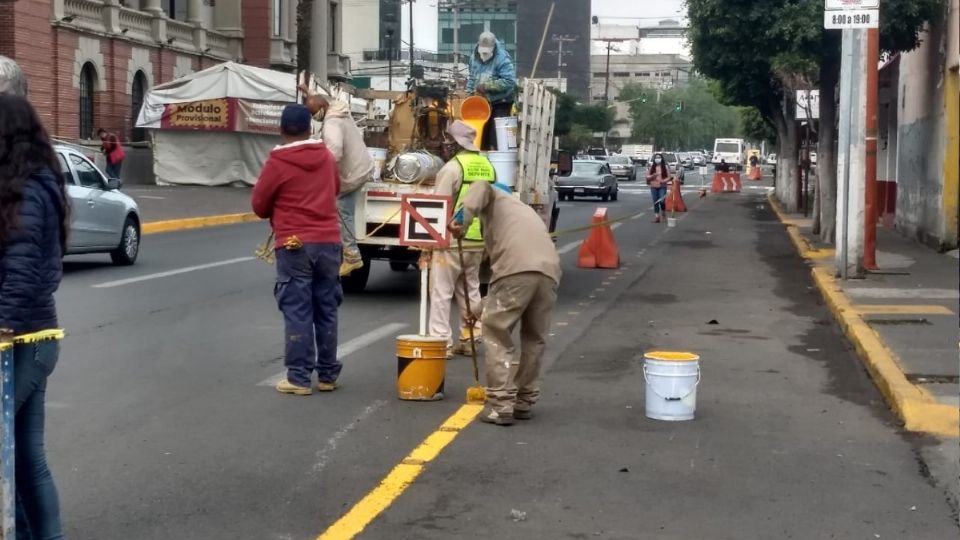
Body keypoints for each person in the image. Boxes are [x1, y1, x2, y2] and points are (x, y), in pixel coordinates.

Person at [0, 94, 69, 539]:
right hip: (35, 338)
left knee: (23, 454)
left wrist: (3, 326)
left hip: (20, 341)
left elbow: (22, 272)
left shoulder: (24, 192)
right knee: (26, 453)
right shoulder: (36, 184)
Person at [449, 180, 561, 426]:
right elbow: (509, 289)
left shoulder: (493, 195)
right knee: (534, 338)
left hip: (517, 271)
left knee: (496, 334)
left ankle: (501, 405)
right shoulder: (521, 213)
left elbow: (481, 187)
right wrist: (477, 311)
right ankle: (524, 401)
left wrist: (462, 220)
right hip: (548, 273)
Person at [252, 104, 343, 396]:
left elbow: (259, 205)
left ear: (281, 130)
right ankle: (328, 375)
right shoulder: (327, 158)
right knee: (326, 308)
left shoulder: (278, 161)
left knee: (298, 309)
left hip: (295, 244)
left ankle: (299, 378)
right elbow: (336, 189)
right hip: (329, 242)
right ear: (310, 128)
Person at [426, 120, 496, 358]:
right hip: (478, 240)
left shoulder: (452, 169)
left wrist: (429, 245)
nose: (445, 144)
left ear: (456, 143)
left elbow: (439, 206)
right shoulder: (487, 165)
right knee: (470, 291)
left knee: (441, 292)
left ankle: (441, 342)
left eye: (449, 140)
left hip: (452, 239)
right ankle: (471, 338)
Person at [300, 86, 376, 276]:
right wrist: (308, 92)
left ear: (321, 110)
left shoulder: (332, 123)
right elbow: (320, 100)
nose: (314, 118)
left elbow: (334, 153)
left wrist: (321, 176)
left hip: (351, 174)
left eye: (313, 114)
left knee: (341, 212)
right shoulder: (338, 107)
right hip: (361, 167)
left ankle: (352, 256)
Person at [467, 32, 517, 150]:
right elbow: (472, 78)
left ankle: (497, 157)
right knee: (480, 134)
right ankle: (482, 157)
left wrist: (487, 86)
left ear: (493, 48)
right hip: (482, 103)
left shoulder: (502, 59)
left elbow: (509, 82)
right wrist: (469, 94)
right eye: (482, 51)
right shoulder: (473, 58)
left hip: (501, 102)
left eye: (487, 52)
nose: (484, 54)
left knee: (496, 136)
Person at [646, 152, 671, 223]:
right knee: (655, 202)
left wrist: (663, 181)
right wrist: (652, 176)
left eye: (659, 158)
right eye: (656, 158)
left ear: (661, 159)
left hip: (662, 186)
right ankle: (657, 217)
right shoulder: (652, 167)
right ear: (654, 159)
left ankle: (663, 212)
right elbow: (647, 177)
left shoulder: (665, 167)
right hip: (653, 186)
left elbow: (669, 177)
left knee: (662, 201)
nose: (658, 159)